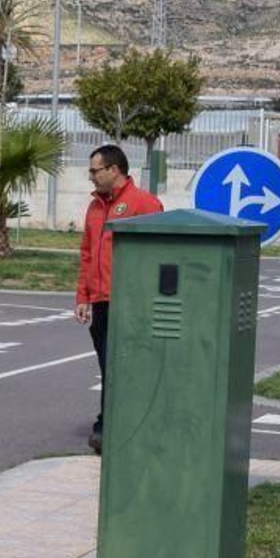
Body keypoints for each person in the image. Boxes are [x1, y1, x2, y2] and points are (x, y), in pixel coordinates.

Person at [75, 144, 163, 454]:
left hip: (130, 302)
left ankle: (111, 426)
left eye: (95, 171)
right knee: (108, 365)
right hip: (100, 301)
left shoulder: (145, 204)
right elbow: (87, 253)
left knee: (123, 367)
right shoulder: (95, 206)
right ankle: (112, 423)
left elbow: (157, 256)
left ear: (114, 170)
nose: (91, 177)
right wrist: (83, 296)